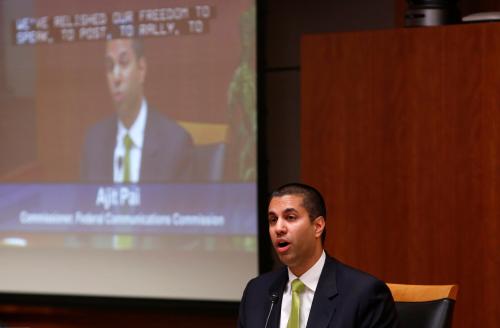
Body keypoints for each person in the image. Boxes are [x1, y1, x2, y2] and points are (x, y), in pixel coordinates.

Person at [238, 183, 399, 328]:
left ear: (317, 226)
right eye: (273, 220)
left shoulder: (364, 294)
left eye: (290, 217)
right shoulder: (256, 292)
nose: (278, 228)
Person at [81, 38, 193, 183]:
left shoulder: (175, 143)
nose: (116, 77)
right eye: (109, 67)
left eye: (124, 63)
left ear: (141, 69)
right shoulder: (93, 142)